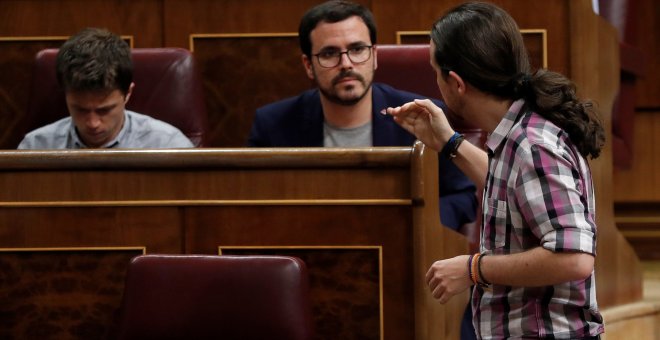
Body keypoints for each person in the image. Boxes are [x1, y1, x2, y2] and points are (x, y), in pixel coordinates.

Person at [386, 2, 606, 339]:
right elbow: (514, 191)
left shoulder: (532, 144)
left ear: (456, 83)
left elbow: (574, 256)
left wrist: (474, 268)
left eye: (435, 71)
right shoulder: (520, 131)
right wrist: (448, 143)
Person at [248, 0, 477, 233]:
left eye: (357, 50)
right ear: (308, 65)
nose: (346, 64)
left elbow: (462, 196)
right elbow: (255, 209)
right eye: (329, 53)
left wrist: (411, 224)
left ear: (374, 56)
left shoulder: (424, 117)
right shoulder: (273, 125)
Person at [18, 28, 193, 149]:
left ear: (128, 94)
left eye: (105, 110)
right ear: (65, 95)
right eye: (80, 109)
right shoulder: (35, 147)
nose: (92, 123)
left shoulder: (168, 145)